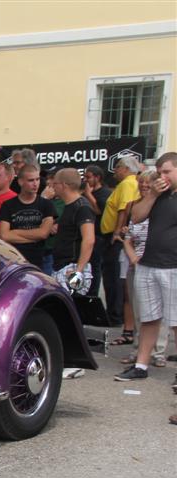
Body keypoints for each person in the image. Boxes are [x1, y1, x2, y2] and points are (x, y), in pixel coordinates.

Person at [115, 152, 177, 397]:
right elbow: (136, 216)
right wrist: (152, 194)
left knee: (175, 321)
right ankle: (141, 365)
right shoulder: (157, 196)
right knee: (149, 318)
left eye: (167, 172)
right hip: (149, 264)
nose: (162, 177)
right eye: (159, 172)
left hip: (173, 266)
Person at [114, 171, 169, 367]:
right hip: (137, 263)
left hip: (160, 262)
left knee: (162, 311)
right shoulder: (134, 205)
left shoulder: (164, 202)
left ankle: (159, 352)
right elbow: (128, 235)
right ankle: (138, 349)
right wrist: (132, 256)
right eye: (142, 183)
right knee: (140, 310)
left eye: (148, 183)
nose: (144, 186)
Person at [100, 155, 142, 325]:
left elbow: (123, 209)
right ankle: (116, 314)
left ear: (125, 168)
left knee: (113, 277)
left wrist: (117, 232)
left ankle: (114, 316)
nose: (115, 170)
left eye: (117, 167)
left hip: (114, 236)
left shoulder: (127, 183)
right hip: (115, 234)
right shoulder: (131, 183)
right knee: (116, 276)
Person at [0, 164, 56, 270]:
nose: (35, 184)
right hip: (14, 262)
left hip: (39, 262)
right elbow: (4, 236)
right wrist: (34, 237)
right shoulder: (8, 205)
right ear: (20, 182)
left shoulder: (46, 204)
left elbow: (43, 234)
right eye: (31, 180)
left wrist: (15, 232)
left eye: (37, 179)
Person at [83, 164, 113, 307]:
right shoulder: (87, 192)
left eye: (88, 177)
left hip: (99, 235)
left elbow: (99, 211)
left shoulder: (105, 193)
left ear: (97, 177)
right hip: (86, 234)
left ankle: (93, 296)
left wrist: (89, 195)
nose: (86, 180)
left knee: (95, 267)